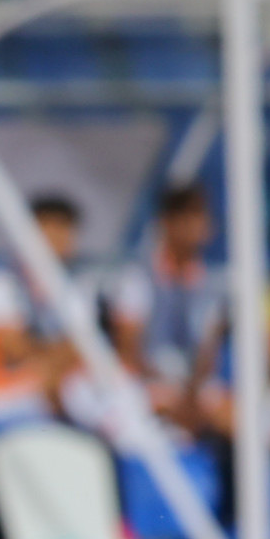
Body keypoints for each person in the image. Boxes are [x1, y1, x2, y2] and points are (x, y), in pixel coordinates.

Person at [108, 184, 228, 436]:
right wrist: (167, 389)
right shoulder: (136, 278)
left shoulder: (211, 286)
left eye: (200, 217)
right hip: (143, 383)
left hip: (192, 388)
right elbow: (129, 349)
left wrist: (189, 395)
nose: (195, 227)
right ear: (167, 223)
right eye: (186, 218)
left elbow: (208, 354)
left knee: (242, 419)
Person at [0, 194, 81, 431]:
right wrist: (57, 362)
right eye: (50, 230)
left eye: (65, 231)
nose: (58, 240)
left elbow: (82, 348)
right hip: (4, 395)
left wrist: (57, 365)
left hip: (56, 384)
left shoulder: (73, 286)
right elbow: (17, 351)